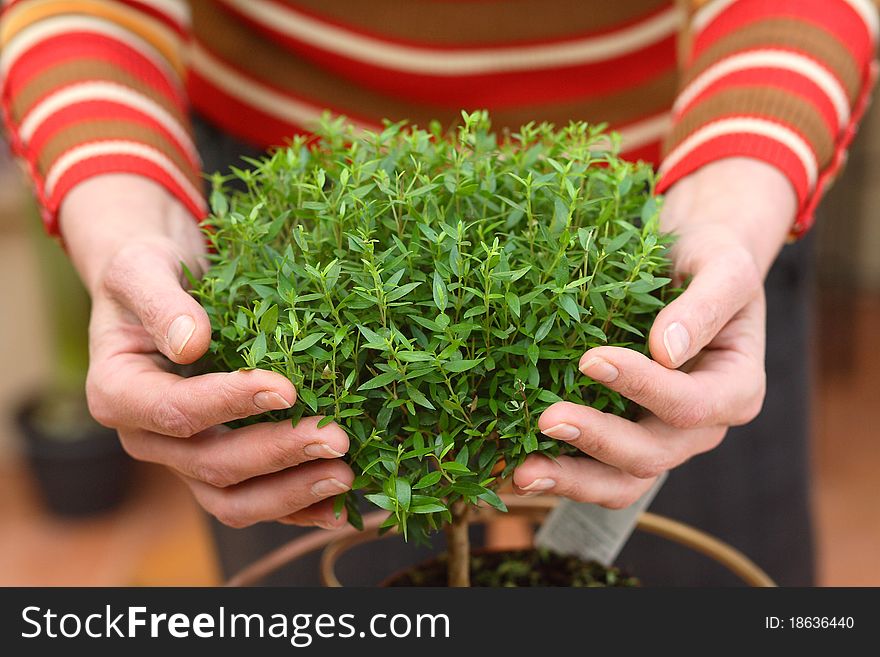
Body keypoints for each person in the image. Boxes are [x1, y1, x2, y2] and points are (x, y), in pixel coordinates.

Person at [2, 0, 876, 585]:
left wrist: (740, 188)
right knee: (311, 535)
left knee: (699, 580)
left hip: (671, 221)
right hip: (285, 229)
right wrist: (124, 204)